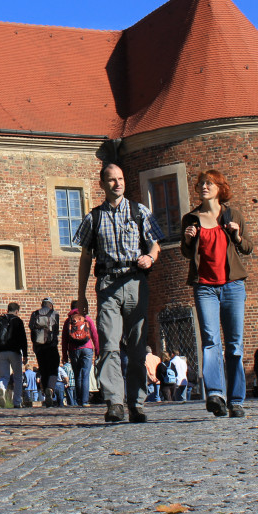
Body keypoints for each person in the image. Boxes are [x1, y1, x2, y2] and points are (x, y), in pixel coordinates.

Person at [74, 162, 162, 424]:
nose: (117, 184)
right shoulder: (94, 218)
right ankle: (114, 402)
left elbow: (155, 244)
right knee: (109, 345)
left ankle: (136, 404)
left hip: (135, 282)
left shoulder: (140, 211)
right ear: (102, 184)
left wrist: (150, 257)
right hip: (107, 285)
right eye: (112, 180)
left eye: (120, 179)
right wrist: (81, 295)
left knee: (137, 347)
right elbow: (85, 258)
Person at [180, 169, 254, 419]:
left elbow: (247, 248)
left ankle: (236, 400)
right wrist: (188, 240)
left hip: (233, 286)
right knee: (211, 340)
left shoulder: (233, 215)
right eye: (201, 183)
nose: (203, 187)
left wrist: (237, 235)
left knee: (234, 345)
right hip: (205, 287)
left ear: (220, 188)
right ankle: (215, 395)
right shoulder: (191, 218)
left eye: (209, 183)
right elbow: (186, 252)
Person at [0, 302, 28, 408]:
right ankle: (17, 402)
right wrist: (25, 354)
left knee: (4, 376)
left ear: (8, 309)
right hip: (14, 351)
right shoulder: (17, 321)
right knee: (18, 377)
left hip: (1, 351)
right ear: (17, 311)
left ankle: (2, 388)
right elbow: (23, 338)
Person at [61, 305, 100, 407]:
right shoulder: (86, 318)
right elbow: (95, 335)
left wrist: (64, 355)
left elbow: (64, 339)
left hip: (73, 350)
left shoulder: (68, 321)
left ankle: (78, 399)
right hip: (87, 348)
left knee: (77, 375)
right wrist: (97, 351)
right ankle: (84, 401)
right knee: (85, 375)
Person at [28, 298, 61, 405]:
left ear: (42, 304)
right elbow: (56, 331)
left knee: (43, 370)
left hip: (39, 347)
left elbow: (31, 328)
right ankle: (50, 389)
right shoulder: (54, 314)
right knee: (53, 368)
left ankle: (46, 394)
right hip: (51, 346)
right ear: (51, 305)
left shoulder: (35, 314)